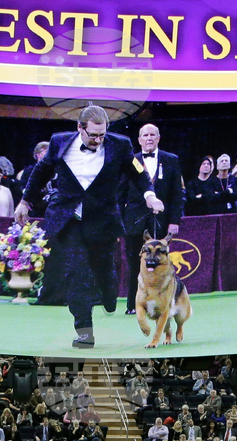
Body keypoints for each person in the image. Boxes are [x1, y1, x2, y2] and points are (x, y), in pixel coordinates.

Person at [15, 104, 163, 349]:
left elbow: (138, 173)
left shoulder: (120, 145)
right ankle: (84, 333)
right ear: (79, 127)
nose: (97, 140)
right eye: (93, 135)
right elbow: (41, 171)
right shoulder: (59, 142)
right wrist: (24, 201)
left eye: (102, 135)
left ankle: (108, 292)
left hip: (102, 220)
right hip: (68, 220)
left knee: (105, 271)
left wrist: (150, 195)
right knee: (77, 275)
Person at [122, 123, 184, 315]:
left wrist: (175, 220)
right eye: (145, 135)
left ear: (158, 138)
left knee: (162, 264)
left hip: (162, 220)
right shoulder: (130, 161)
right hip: (134, 221)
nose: (149, 138)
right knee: (135, 263)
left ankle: (164, 303)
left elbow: (177, 193)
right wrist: (119, 222)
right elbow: (120, 193)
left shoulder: (171, 160)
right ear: (139, 140)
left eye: (152, 135)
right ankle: (133, 305)